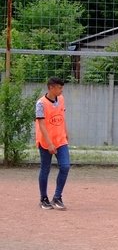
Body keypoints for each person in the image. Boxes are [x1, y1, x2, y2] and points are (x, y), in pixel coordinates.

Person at [35, 77, 71, 210]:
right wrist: (49, 143)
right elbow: (42, 125)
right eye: (59, 88)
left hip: (60, 139)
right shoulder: (41, 103)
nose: (61, 90)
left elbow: (62, 117)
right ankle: (43, 198)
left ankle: (57, 197)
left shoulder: (61, 99)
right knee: (45, 168)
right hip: (45, 141)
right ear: (51, 87)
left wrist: (66, 132)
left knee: (65, 166)